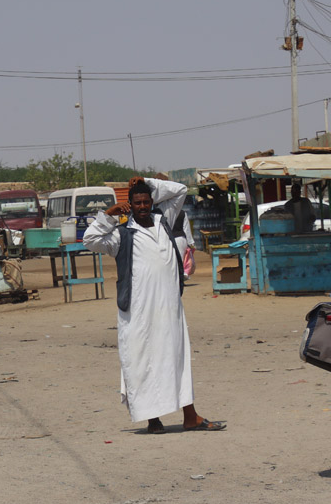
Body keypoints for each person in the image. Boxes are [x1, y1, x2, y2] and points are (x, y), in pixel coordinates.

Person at [82, 176, 224, 434]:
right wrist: (110, 214)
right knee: (143, 362)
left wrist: (147, 181)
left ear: (152, 202)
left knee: (178, 359)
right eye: (137, 203)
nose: (143, 206)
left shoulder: (164, 221)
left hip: (170, 310)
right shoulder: (121, 235)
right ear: (130, 205)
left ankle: (190, 416)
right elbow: (89, 240)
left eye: (146, 201)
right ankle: (152, 419)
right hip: (139, 313)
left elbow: (180, 190)